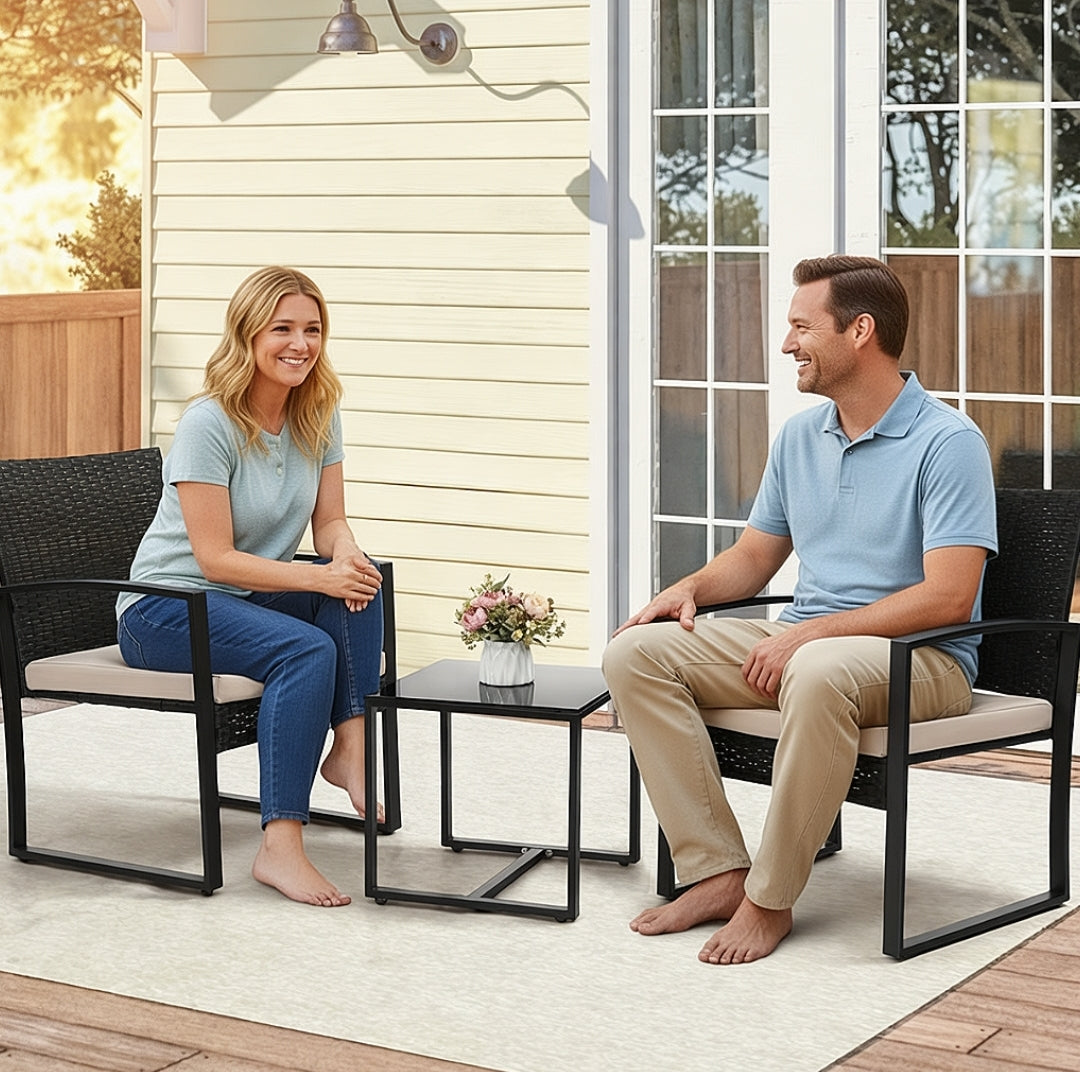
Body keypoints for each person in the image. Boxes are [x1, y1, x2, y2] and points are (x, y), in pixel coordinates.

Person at [602, 255, 997, 963]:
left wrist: (810, 635)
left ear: (860, 331)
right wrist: (689, 588)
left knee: (816, 670)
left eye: (802, 327)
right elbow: (755, 557)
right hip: (813, 644)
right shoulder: (799, 437)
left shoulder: (948, 443)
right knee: (635, 652)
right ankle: (717, 872)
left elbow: (949, 595)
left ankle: (769, 899)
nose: (787, 344)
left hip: (926, 659)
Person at [116, 265, 383, 908]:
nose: (300, 344)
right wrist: (320, 575)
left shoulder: (318, 412)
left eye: (312, 329)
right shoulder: (209, 423)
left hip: (243, 598)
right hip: (165, 608)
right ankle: (279, 845)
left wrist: (347, 557)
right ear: (248, 335)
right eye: (282, 329)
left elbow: (330, 523)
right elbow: (214, 560)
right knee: (307, 649)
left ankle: (350, 746)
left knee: (364, 584)